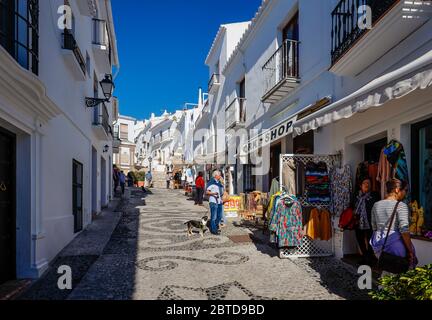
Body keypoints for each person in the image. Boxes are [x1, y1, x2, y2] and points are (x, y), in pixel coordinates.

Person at [370, 179, 418, 272]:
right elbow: (404, 231)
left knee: (387, 270)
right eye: (405, 190)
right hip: (396, 247)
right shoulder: (401, 206)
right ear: (397, 190)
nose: (405, 193)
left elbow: (374, 227)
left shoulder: (376, 205)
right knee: (400, 274)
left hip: (379, 246)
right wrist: (410, 251)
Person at [354, 178, 380, 265]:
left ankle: (370, 258)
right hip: (358, 222)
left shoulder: (374, 195)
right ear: (361, 185)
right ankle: (365, 257)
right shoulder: (357, 196)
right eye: (364, 183)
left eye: (368, 183)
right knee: (360, 240)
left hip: (370, 222)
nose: (367, 184)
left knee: (370, 241)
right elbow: (352, 206)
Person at [206, 170, 224, 235]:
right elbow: (207, 192)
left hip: (219, 201)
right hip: (213, 201)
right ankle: (214, 230)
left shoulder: (219, 183)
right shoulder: (211, 182)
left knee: (219, 216)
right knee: (214, 216)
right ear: (216, 175)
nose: (220, 176)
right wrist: (213, 193)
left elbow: (221, 192)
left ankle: (215, 226)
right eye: (219, 175)